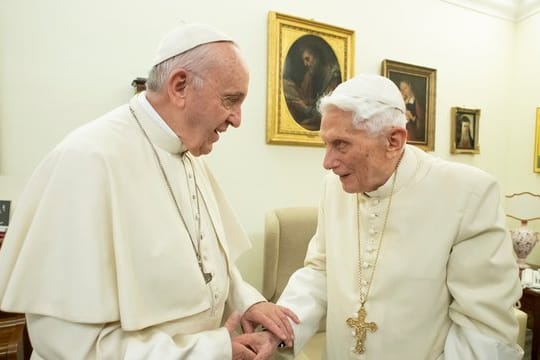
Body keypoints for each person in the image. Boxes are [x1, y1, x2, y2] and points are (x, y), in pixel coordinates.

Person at [0, 23, 298, 359]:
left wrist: (248, 302)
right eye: (230, 100)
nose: (237, 119)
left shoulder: (187, 153)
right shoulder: (87, 159)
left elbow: (207, 268)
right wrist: (212, 350)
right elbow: (68, 345)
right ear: (180, 86)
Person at [244, 74, 523, 359]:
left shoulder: (468, 193)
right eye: (326, 143)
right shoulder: (333, 187)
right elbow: (320, 272)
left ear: (393, 140)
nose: (327, 162)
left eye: (341, 144)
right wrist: (277, 331)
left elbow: (484, 327)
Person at [283, 42, 341, 131]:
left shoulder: (333, 77)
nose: (306, 64)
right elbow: (308, 99)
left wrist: (304, 108)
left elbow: (326, 111)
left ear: (317, 57)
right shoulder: (310, 74)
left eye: (308, 59)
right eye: (304, 61)